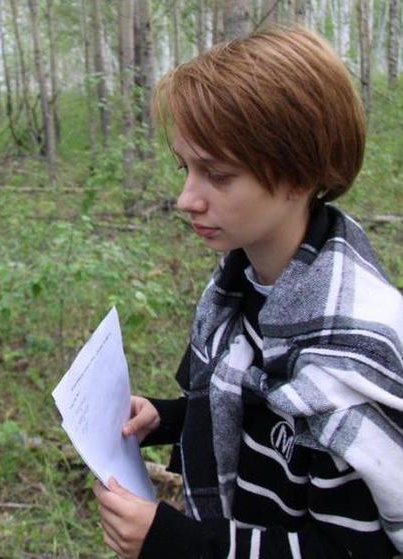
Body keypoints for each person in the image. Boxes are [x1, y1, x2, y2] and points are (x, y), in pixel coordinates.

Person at [94, 25, 403, 558]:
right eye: (185, 168)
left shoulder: (349, 361)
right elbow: (258, 407)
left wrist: (180, 544)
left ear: (298, 172)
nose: (186, 198)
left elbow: (356, 550)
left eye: (217, 174)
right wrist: (168, 417)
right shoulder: (243, 291)